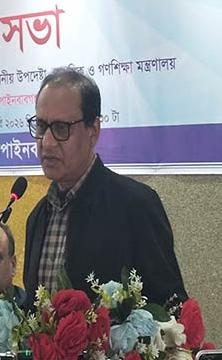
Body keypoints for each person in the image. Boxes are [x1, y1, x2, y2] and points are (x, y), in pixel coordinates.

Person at [23, 68, 187, 305]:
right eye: (41, 126)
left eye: (61, 128)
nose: (47, 143)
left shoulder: (136, 206)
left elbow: (172, 307)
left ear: (93, 131)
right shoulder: (37, 217)